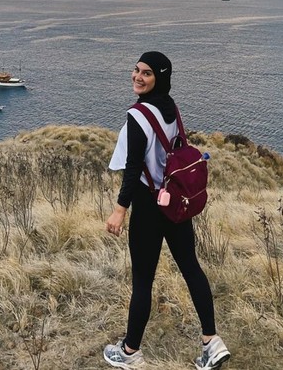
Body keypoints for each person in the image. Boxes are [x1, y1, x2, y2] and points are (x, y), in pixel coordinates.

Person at [104, 51, 230, 369]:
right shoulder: (170, 107)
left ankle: (130, 353)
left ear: (159, 77)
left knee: (143, 280)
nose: (137, 76)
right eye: (136, 70)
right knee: (191, 267)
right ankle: (211, 342)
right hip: (175, 201)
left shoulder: (139, 115)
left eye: (146, 73)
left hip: (149, 205)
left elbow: (133, 169)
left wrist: (120, 210)